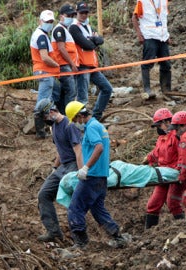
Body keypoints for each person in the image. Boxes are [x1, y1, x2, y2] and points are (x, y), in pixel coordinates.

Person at [65, 100, 127, 249]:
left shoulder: (92, 127)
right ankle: (118, 237)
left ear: (80, 115)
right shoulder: (99, 126)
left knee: (75, 208)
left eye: (75, 120)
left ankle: (81, 243)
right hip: (101, 177)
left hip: (92, 177)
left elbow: (98, 147)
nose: (75, 123)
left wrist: (85, 167)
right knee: (98, 209)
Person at [36, 98, 83, 242]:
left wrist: (81, 172)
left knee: (74, 202)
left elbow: (78, 150)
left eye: (44, 116)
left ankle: (79, 237)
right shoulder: (54, 127)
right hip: (62, 167)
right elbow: (60, 151)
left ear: (51, 111)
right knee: (43, 195)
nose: (45, 120)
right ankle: (54, 232)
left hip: (74, 165)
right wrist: (54, 168)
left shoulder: (69, 126)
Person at [69, 2, 113, 121]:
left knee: (107, 89)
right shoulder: (73, 27)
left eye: (86, 13)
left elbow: (100, 40)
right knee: (82, 98)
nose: (84, 15)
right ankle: (79, 124)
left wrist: (93, 40)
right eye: (82, 13)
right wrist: (93, 40)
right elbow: (87, 45)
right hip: (82, 66)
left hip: (92, 66)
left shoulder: (88, 27)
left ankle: (95, 117)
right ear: (76, 13)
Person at [143, 108, 186, 229]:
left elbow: (184, 155)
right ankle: (149, 233)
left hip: (175, 174)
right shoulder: (161, 139)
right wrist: (149, 158)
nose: (160, 127)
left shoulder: (177, 136)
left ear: (168, 122)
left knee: (172, 203)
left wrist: (181, 172)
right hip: (163, 173)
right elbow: (157, 153)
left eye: (160, 124)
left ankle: (182, 227)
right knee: (153, 204)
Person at [132, 0, 172, 100]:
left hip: (162, 37)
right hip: (149, 36)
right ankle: (147, 90)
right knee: (147, 64)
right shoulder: (143, 1)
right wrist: (139, 34)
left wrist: (166, 34)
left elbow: (163, 18)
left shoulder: (163, 1)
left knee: (166, 64)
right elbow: (134, 17)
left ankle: (166, 91)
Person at [30, 10, 60, 139]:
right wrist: (57, 65)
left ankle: (49, 124)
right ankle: (40, 131)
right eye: (47, 21)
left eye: (51, 22)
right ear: (40, 21)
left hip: (44, 72)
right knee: (43, 101)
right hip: (45, 71)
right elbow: (45, 57)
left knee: (50, 98)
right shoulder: (41, 36)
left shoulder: (40, 34)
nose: (49, 24)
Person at [51, 4, 79, 114]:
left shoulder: (64, 29)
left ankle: (63, 116)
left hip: (65, 65)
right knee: (71, 92)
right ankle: (68, 118)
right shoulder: (59, 29)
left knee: (64, 93)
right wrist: (72, 64)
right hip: (64, 66)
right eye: (69, 15)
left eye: (72, 15)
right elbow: (62, 49)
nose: (71, 18)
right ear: (61, 16)